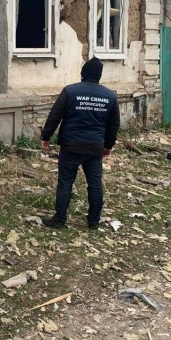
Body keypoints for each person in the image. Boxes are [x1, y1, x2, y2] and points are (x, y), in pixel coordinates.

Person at [40, 57, 120, 230]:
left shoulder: (70, 91)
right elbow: (113, 125)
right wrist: (108, 146)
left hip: (71, 145)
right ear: (99, 75)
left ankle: (59, 220)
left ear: (82, 73)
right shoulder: (110, 96)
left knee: (65, 183)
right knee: (95, 185)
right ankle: (93, 221)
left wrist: (46, 136)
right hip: (95, 147)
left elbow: (55, 115)